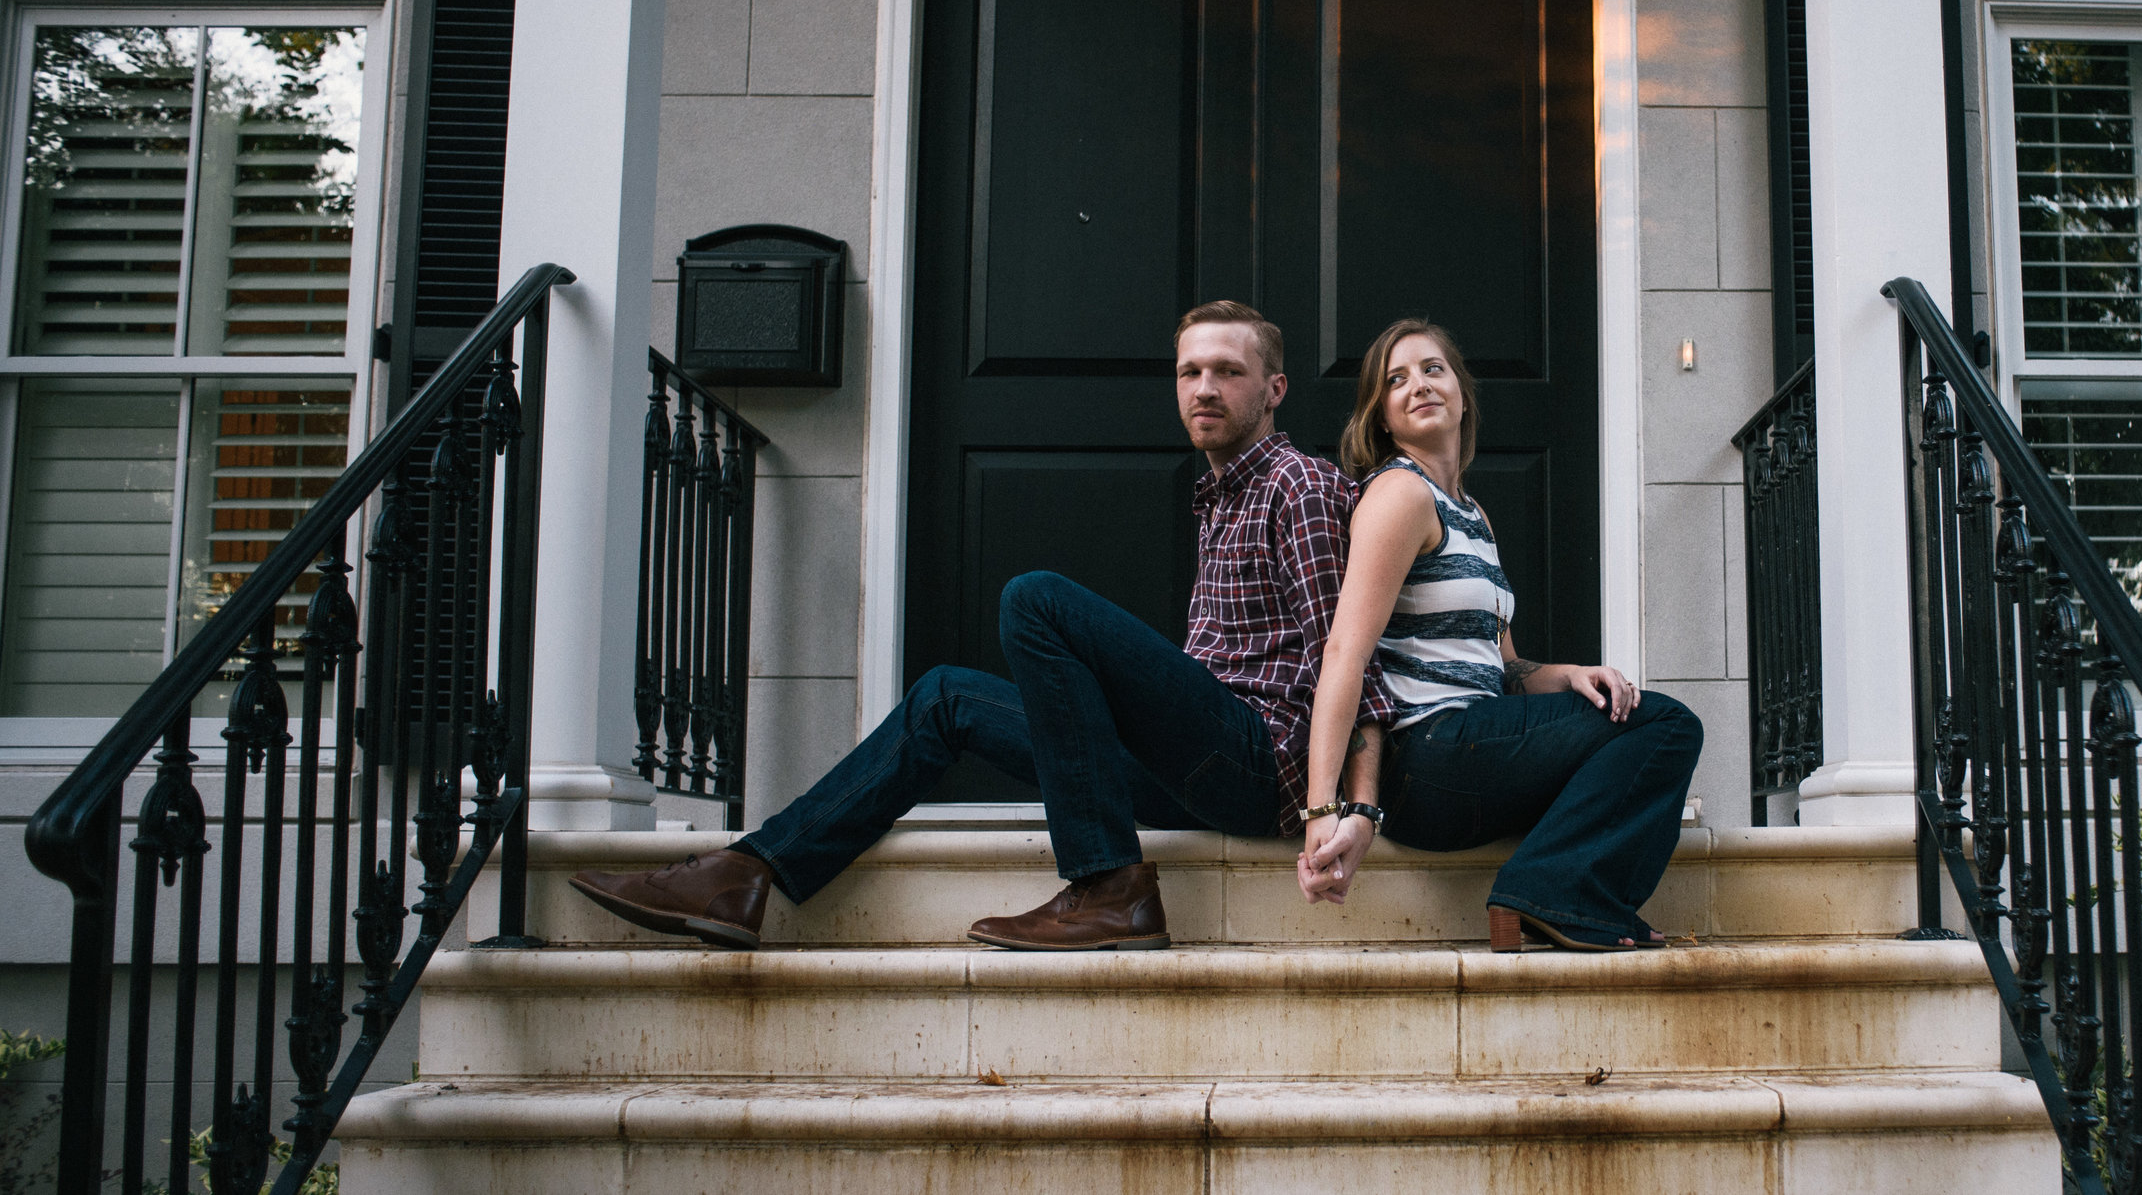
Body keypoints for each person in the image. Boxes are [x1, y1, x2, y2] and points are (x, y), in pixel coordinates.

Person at [570, 300, 1398, 952]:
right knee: (945, 698)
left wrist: (1338, 806)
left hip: (1259, 762)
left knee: (1035, 599)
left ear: (1274, 389)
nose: (1204, 388)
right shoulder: (1221, 494)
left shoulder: (1298, 483)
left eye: (1227, 370)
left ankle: (1110, 885)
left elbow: (1345, 656)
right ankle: (745, 874)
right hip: (1196, 765)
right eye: (1189, 372)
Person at [1293, 317, 1705, 951]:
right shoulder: (1401, 494)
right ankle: (1555, 894)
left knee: (1624, 725)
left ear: (1461, 394)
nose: (1419, 385)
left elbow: (1503, 665)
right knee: (1667, 725)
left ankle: (1555, 891)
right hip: (1427, 754)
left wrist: (1568, 675)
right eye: (1395, 380)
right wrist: (1325, 807)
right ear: (1381, 417)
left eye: (1433, 369)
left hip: (1471, 750)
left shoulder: (1471, 512)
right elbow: (1347, 649)